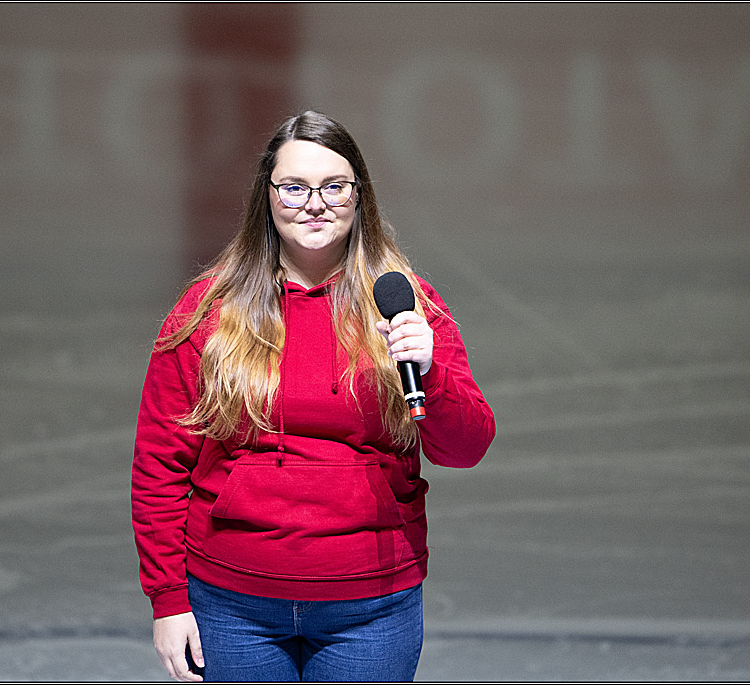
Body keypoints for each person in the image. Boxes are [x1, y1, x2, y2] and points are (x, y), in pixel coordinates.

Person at [131, 110, 495, 682]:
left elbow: (465, 448)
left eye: (334, 187)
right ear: (268, 196)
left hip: (371, 603)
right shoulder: (207, 311)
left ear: (359, 195)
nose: (315, 204)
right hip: (232, 603)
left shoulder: (406, 305)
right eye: (295, 187)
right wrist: (168, 599)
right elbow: (159, 465)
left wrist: (430, 371)